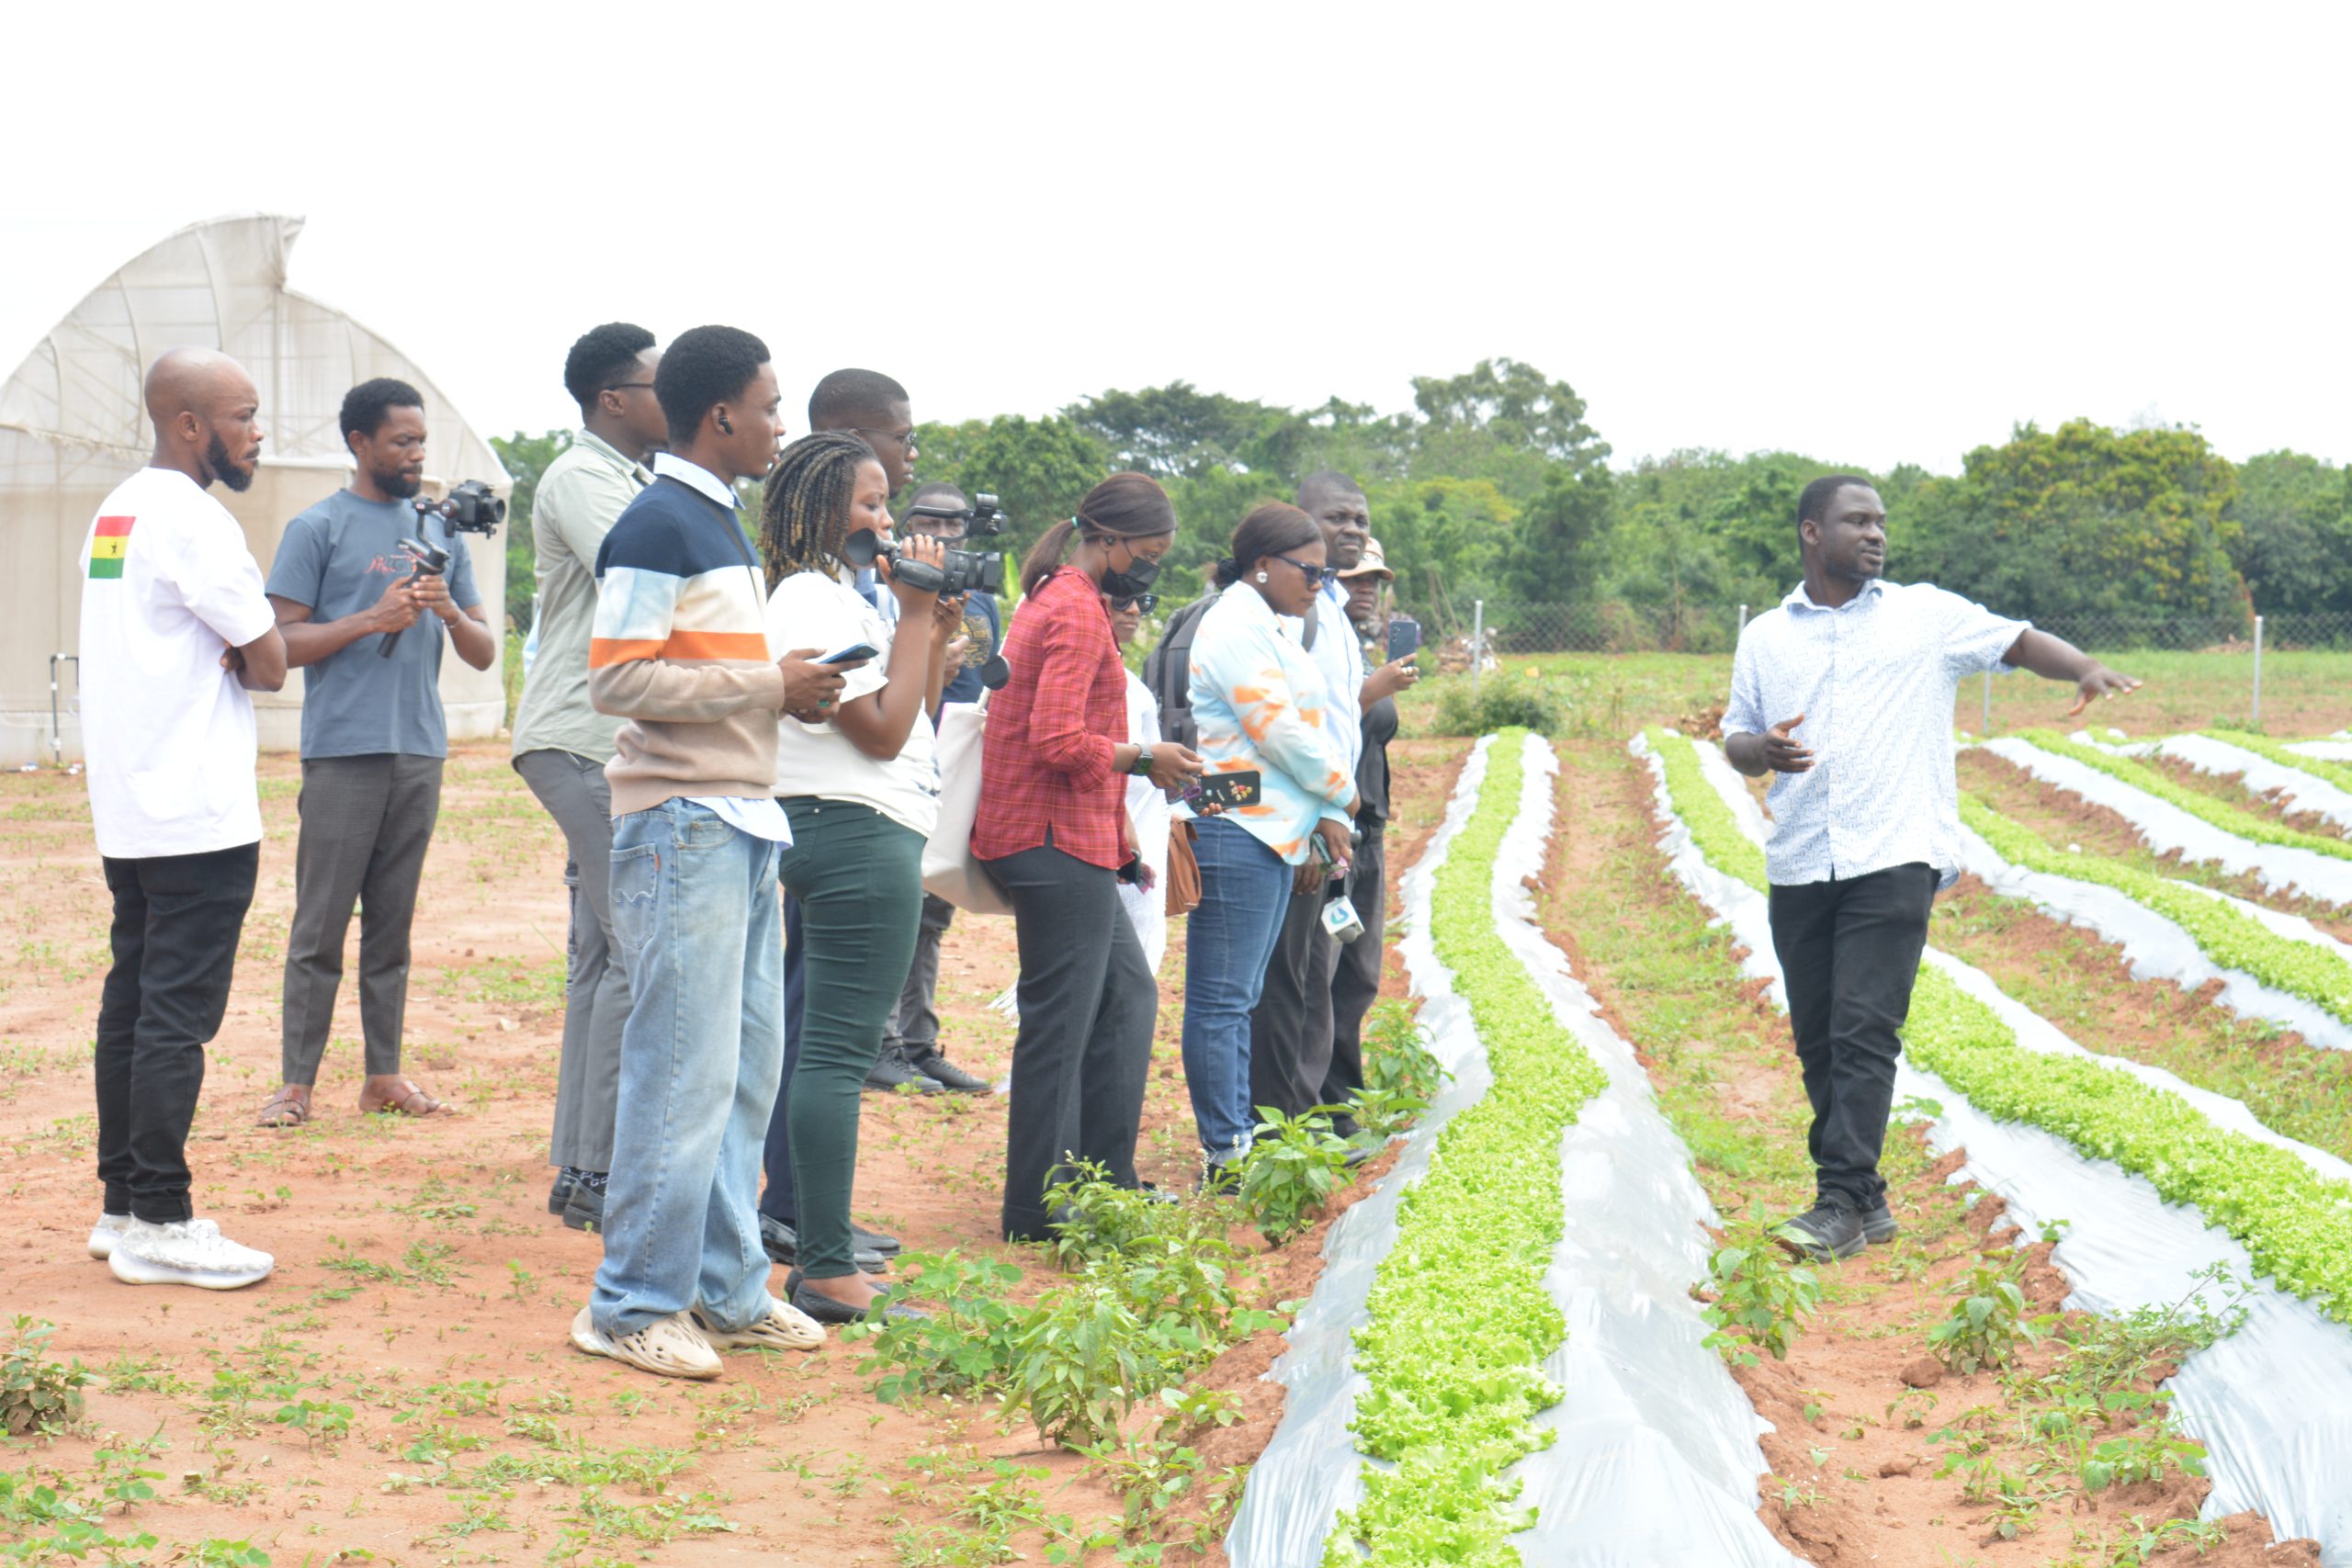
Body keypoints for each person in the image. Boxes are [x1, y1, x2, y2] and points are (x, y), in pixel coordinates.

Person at [1725, 474, 2140, 1264]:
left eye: (1881, 521)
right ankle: (1868, 1199)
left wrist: (2082, 665)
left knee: (1864, 1028)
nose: (1876, 533)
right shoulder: (1766, 637)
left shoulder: (1926, 615)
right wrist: (1762, 751)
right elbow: (1736, 735)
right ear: (1813, 533)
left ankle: (1840, 1199)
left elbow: (2015, 640)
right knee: (1817, 1034)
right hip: (1803, 855)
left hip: (1896, 851)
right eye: (1857, 521)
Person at [569, 324, 849, 1380]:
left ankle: (727, 1292)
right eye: (772, 406)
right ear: (723, 415)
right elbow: (619, 680)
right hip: (681, 820)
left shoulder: (716, 525)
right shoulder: (656, 524)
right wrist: (769, 684)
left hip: (737, 814)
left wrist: (791, 689)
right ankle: (631, 1303)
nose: (782, 423)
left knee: (740, 1075)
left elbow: (712, 675)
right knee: (680, 1072)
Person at [79, 347, 288, 1289]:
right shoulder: (196, 520)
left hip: (132, 802)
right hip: (197, 810)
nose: (256, 432)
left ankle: (123, 1204)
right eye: (242, 415)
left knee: (132, 1002)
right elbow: (270, 659)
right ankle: (161, 1218)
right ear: (190, 425)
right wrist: (254, 650)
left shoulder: (117, 510)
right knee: (173, 1015)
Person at [756, 433, 959, 1323]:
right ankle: (829, 1266)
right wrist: (912, 615)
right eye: (870, 505)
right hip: (855, 833)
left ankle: (826, 1254)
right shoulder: (810, 597)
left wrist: (926, 630)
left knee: (825, 1050)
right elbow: (876, 732)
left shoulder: (832, 599)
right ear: (817, 509)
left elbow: (903, 712)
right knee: (836, 1056)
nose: (887, 522)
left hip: (847, 826)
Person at [256, 379, 497, 1127]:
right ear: (359, 443)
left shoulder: (443, 532)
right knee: (321, 924)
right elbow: (279, 643)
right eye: (401, 442)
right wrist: (370, 618)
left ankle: (382, 1075)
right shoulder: (316, 527)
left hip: (418, 751)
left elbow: (486, 653)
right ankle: (296, 1083)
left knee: (391, 926)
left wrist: (450, 609)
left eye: (421, 442)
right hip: (343, 753)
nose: (416, 455)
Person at [975, 473, 1203, 1240]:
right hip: (1045, 838)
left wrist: (1119, 832)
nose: (1150, 567)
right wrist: (1145, 759)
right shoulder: (1072, 606)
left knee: (1128, 997)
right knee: (1060, 1023)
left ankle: (1104, 1177)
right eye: (1149, 552)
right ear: (1109, 539)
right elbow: (1056, 739)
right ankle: (1036, 1208)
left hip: (1070, 835)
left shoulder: (1064, 594)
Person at [510, 322, 667, 1232]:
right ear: (614, 398)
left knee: (603, 959)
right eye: (655, 385)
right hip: (582, 739)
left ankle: (581, 1170)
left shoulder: (627, 479)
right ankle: (599, 1172)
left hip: (594, 739)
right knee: (630, 956)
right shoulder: (581, 478)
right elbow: (646, 572)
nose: (669, 399)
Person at [1182, 503, 1359, 1175]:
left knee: (1240, 999)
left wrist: (1317, 812)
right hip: (1236, 825)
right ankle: (1226, 1152)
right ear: (1263, 564)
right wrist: (1343, 792)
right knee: (1223, 1001)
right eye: (1311, 570)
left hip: (1264, 824)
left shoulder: (1271, 626)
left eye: (1327, 572)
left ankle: (1235, 1143)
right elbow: (1276, 731)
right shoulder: (1233, 626)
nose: (1320, 583)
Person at [1246, 474, 1417, 1129]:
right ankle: (1295, 1125)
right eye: (1336, 517)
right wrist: (1317, 821)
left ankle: (1333, 1112)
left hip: (1348, 821)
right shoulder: (1300, 615)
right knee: (1304, 982)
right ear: (1300, 522)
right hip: (1312, 825)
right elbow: (1290, 726)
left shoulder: (1336, 611)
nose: (1352, 529)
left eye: (1360, 518)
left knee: (1345, 976)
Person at [876, 482, 999, 1094]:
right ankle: (881, 1042)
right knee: (894, 909)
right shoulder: (889, 587)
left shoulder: (981, 601)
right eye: (929, 522)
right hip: (894, 757)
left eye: (955, 525)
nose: (945, 535)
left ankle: (917, 1043)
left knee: (931, 913)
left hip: (952, 765)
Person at [1322, 534, 1409, 1133]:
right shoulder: (1321, 640)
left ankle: (1344, 1098)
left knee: (1357, 974)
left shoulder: (1353, 646)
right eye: (1355, 578)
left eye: (1374, 581)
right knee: (1323, 974)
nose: (1366, 590)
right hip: (1332, 830)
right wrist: (1373, 690)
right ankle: (1323, 1108)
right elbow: (1313, 723)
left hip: (1366, 824)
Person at [1107, 587, 1171, 976]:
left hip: (1135, 841)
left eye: (1143, 601)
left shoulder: (1134, 685)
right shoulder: (1100, 677)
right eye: (1120, 599)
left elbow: (1152, 771)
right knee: (1118, 980)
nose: (1133, 610)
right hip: (1111, 845)